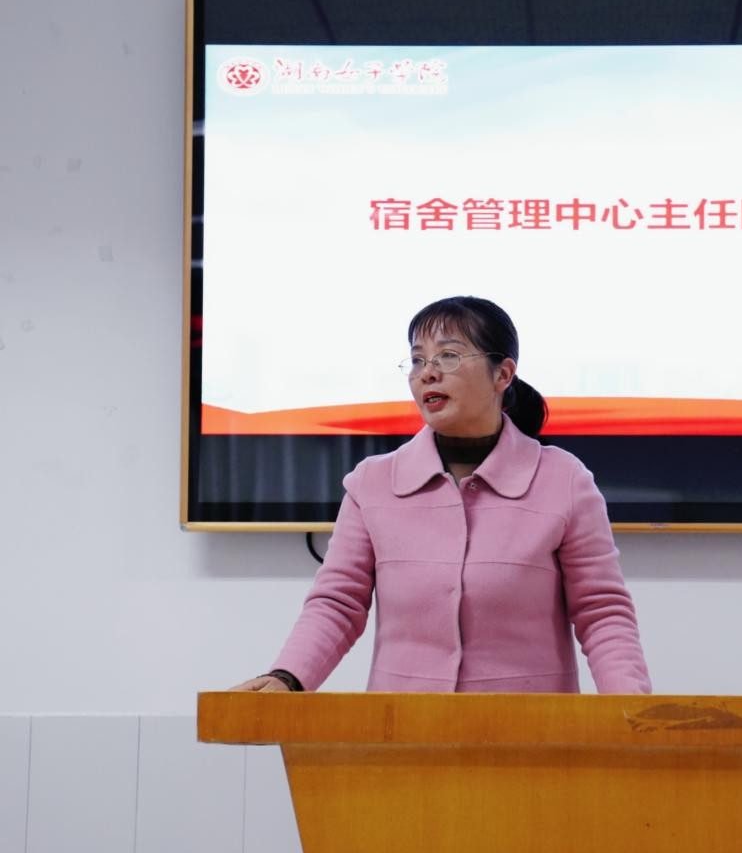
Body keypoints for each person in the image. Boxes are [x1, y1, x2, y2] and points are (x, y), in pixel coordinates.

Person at [232, 296, 651, 694]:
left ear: (503, 374)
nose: (427, 373)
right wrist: (287, 678)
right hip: (401, 729)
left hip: (531, 731)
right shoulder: (371, 483)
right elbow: (337, 603)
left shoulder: (563, 479)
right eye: (418, 360)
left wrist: (628, 708)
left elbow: (602, 612)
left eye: (448, 356)